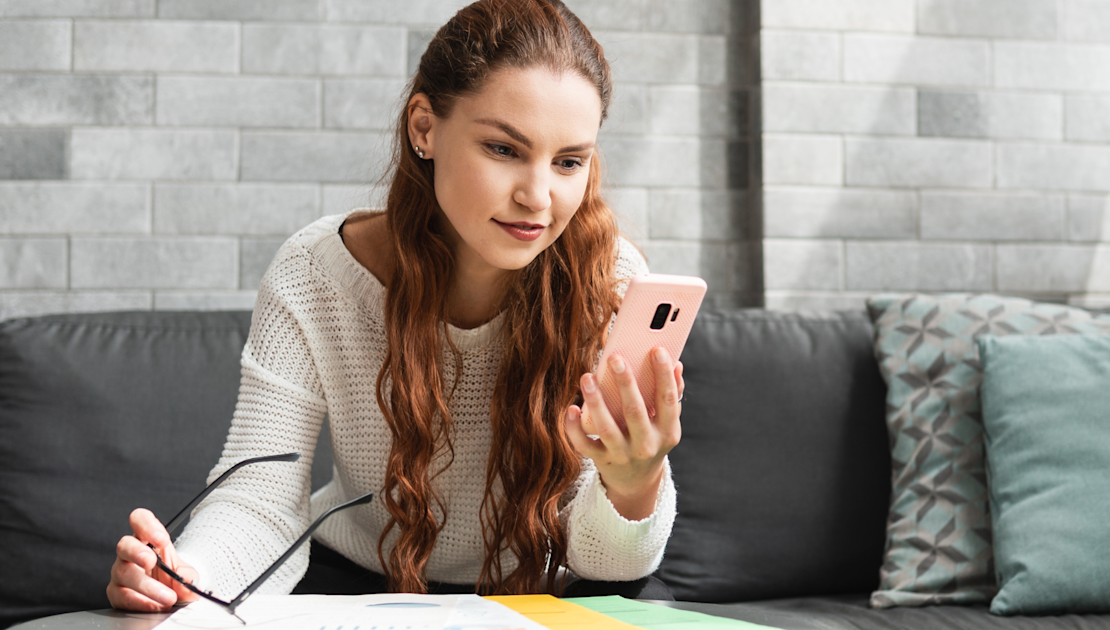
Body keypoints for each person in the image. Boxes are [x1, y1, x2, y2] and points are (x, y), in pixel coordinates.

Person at [106, 0, 684, 611]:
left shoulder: (613, 283)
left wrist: (635, 481)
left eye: (569, 162)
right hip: (355, 578)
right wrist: (184, 575)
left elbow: (610, 567)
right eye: (503, 150)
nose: (538, 198)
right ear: (424, 128)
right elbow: (260, 498)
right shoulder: (314, 275)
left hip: (542, 593)